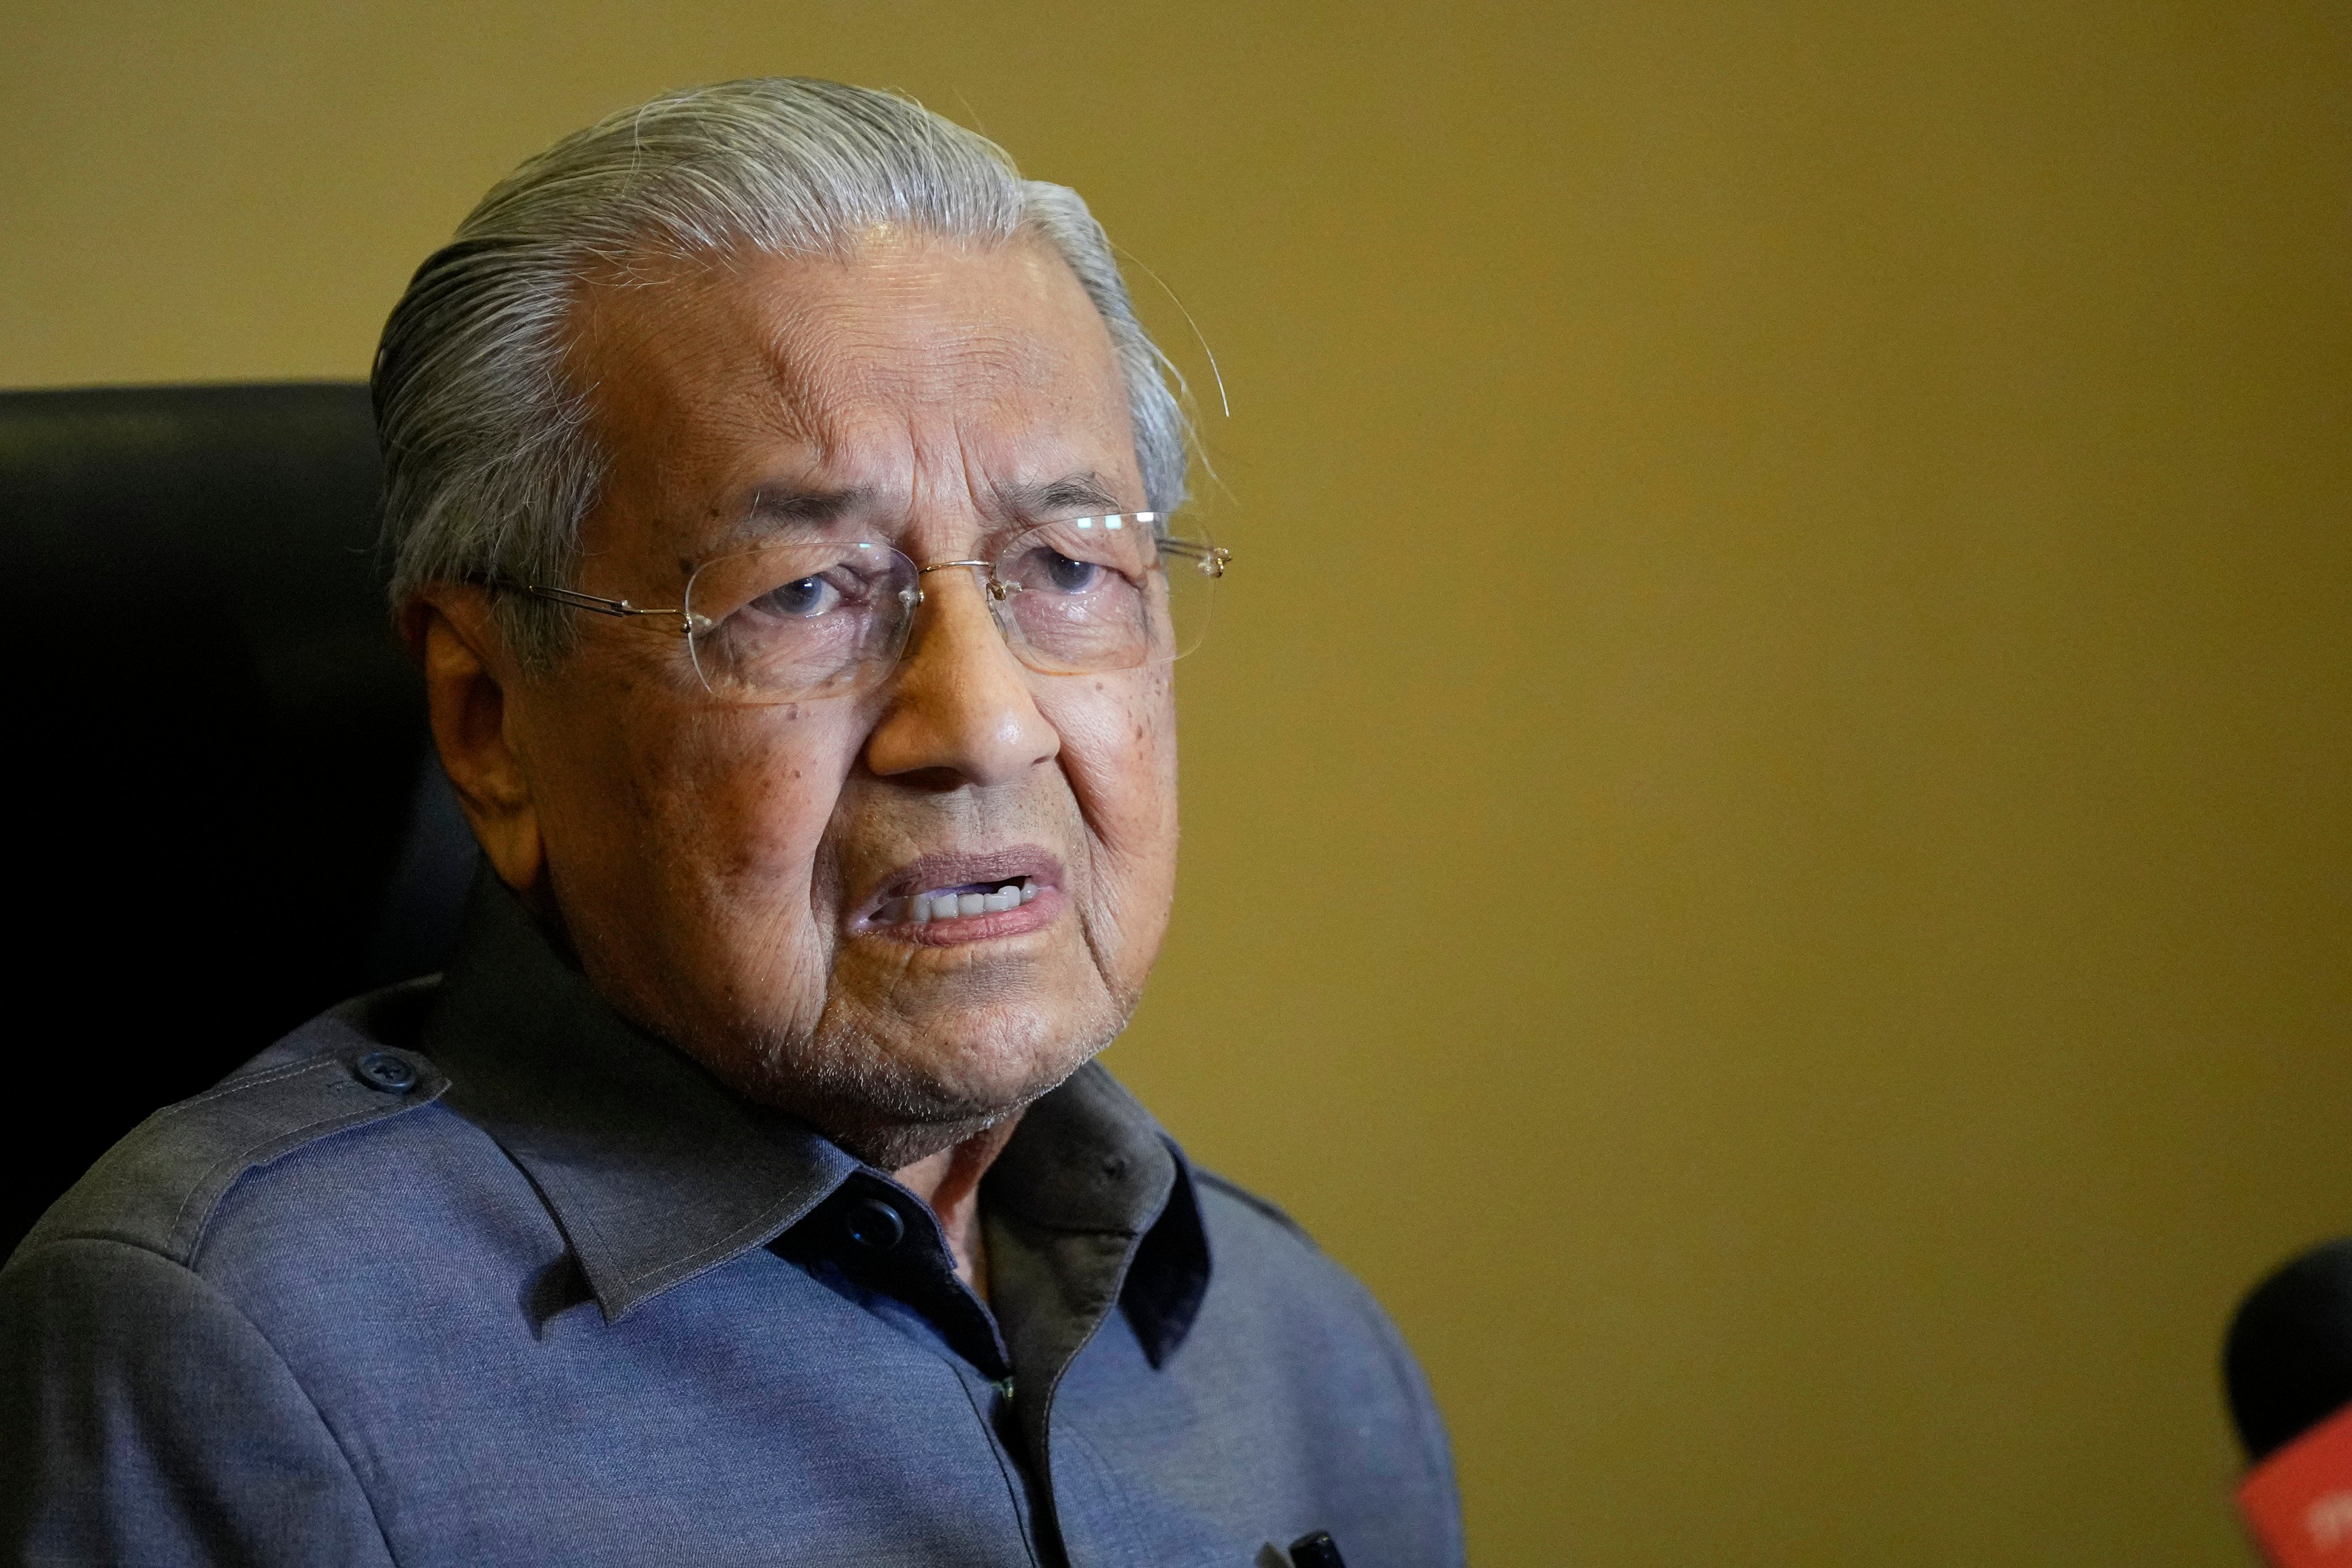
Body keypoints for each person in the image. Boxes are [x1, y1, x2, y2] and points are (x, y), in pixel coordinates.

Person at [0, 78, 1462, 1567]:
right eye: (804, 592)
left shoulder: (1303, 1356)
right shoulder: (238, 1353)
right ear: (490, 721)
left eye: (1067, 568)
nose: (986, 720)